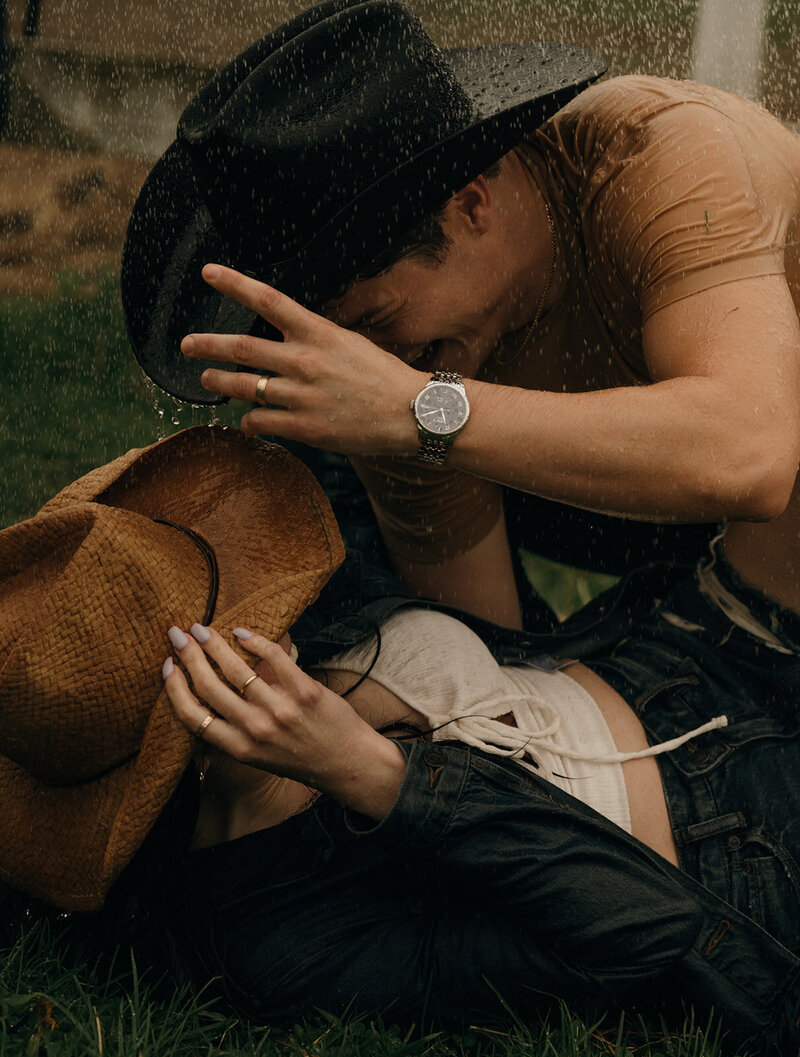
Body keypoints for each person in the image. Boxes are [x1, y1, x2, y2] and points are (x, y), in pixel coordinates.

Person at [1, 425, 799, 1055]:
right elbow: (649, 929)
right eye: (217, 644)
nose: (263, 630)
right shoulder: (283, 938)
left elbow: (353, 455)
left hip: (675, 661)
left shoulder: (292, 634)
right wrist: (378, 775)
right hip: (747, 837)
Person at [121, 0, 800, 632]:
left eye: (375, 318)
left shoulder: (662, 158)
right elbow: (486, 658)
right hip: (634, 505)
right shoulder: (397, 365)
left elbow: (752, 454)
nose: (366, 361)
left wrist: (422, 410)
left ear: (472, 206)